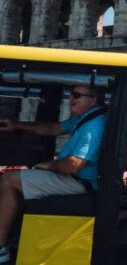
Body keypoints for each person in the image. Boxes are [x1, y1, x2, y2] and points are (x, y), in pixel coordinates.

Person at [0, 86, 107, 264]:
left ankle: (1, 246)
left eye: (76, 96)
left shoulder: (95, 125)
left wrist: (49, 165)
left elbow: (74, 165)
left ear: (93, 100)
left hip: (79, 181)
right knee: (15, 182)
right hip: (76, 179)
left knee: (9, 179)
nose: (70, 99)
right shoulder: (85, 118)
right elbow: (53, 128)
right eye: (70, 94)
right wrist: (17, 125)